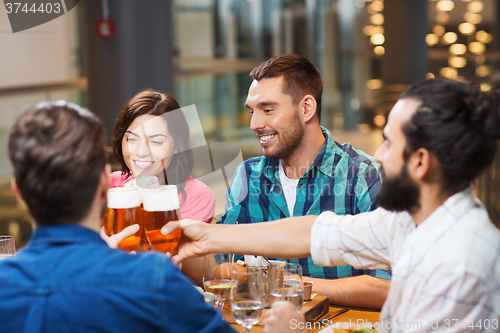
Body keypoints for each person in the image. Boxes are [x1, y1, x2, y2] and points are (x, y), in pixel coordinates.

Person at [163, 79, 500, 332]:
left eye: (389, 142)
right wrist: (210, 235)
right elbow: (318, 231)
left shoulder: (456, 267)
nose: (379, 155)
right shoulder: (414, 221)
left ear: (421, 162)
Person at [0, 101, 236, 333]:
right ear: (106, 182)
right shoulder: (156, 278)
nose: (141, 150)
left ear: (17, 190)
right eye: (132, 138)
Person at [218, 54, 390, 308]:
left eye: (267, 110)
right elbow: (218, 264)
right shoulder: (247, 176)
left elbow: (387, 287)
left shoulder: (364, 174)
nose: (255, 124)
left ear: (307, 108)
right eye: (252, 112)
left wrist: (286, 283)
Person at [110, 89, 215, 223]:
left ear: (177, 145)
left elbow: (165, 243)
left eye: (156, 141)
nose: (141, 152)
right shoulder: (111, 184)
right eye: (131, 139)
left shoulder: (197, 196)